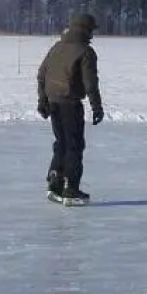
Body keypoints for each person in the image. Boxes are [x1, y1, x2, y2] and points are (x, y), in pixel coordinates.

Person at [36, 13, 104, 202]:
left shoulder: (57, 47)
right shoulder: (85, 52)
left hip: (54, 103)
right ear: (86, 30)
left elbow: (42, 75)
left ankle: (55, 181)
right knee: (74, 146)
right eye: (92, 31)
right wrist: (96, 106)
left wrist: (43, 100)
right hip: (70, 104)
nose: (92, 35)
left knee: (61, 143)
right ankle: (71, 189)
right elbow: (90, 83)